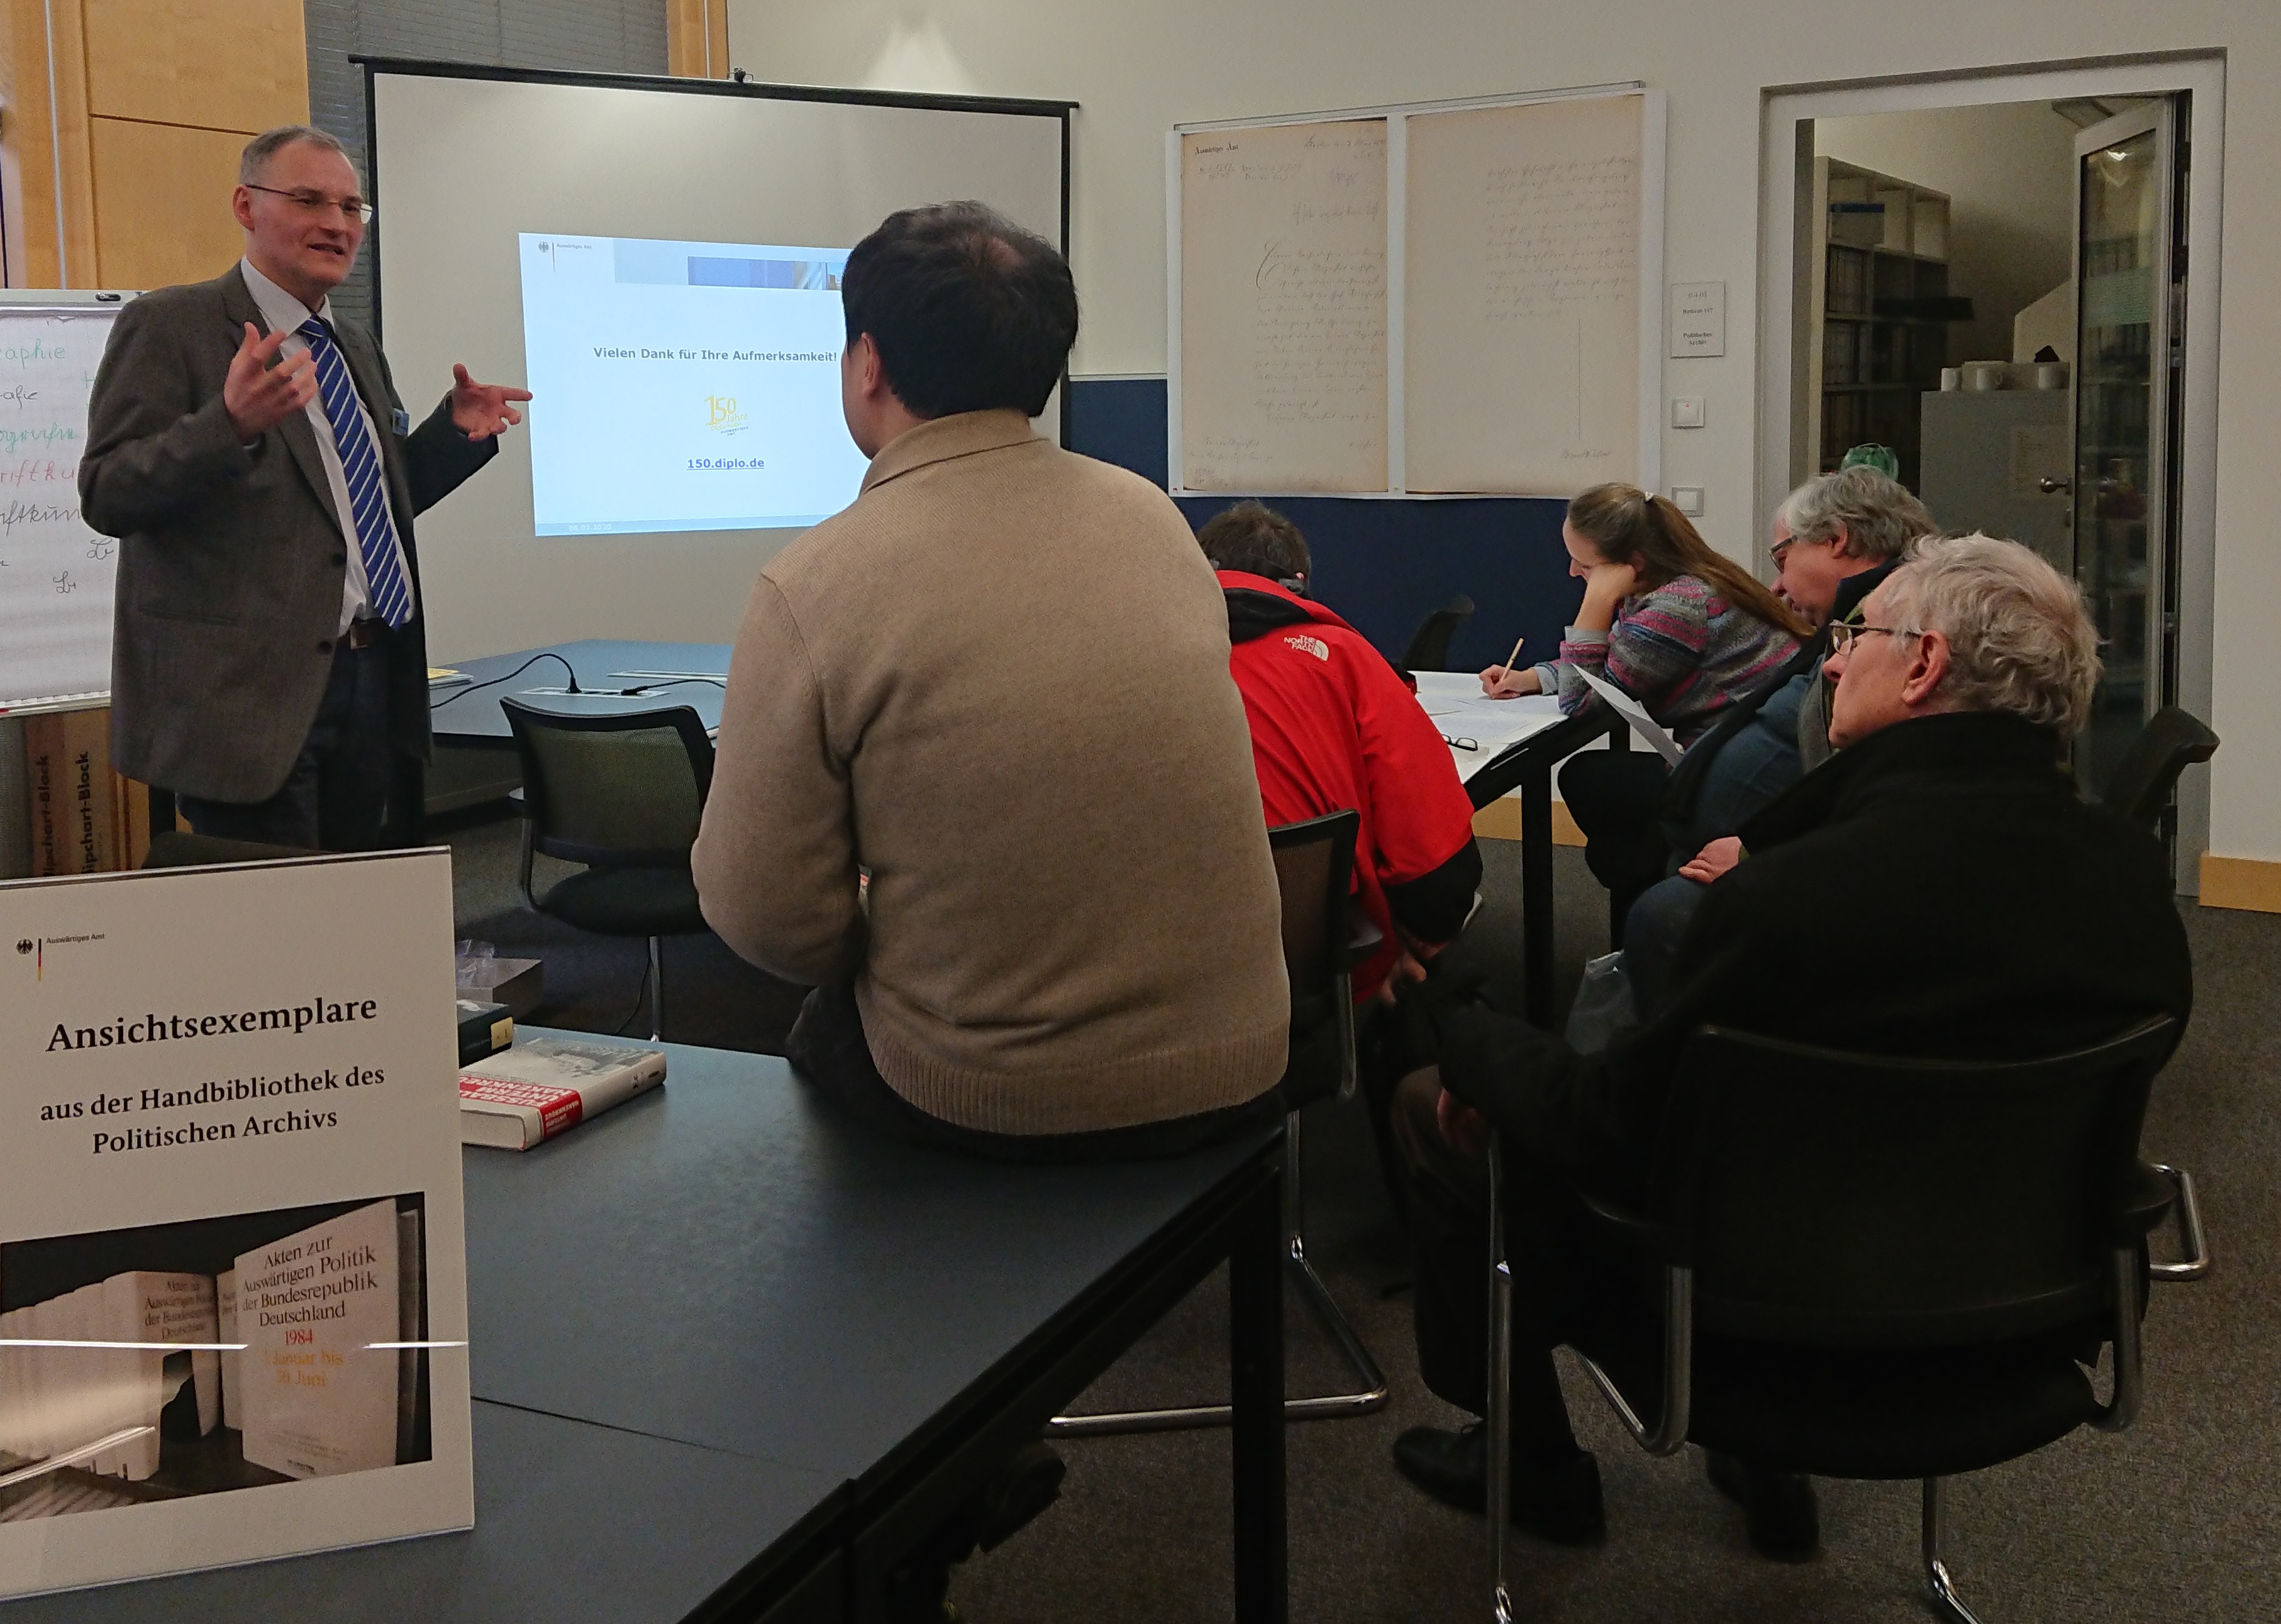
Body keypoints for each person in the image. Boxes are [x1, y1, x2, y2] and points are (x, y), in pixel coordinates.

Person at [1382, 535, 2192, 1559]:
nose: (1837, 659)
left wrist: (1469, 1030)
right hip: (2012, 1327)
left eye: (1857, 636)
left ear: (1925, 664)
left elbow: (1604, 1128)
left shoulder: (1787, 902)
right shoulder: (2132, 886)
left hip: (1744, 1336)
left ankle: (1532, 1459)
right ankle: (1764, 1473)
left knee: (1431, 1099)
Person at [691, 202, 1290, 1160]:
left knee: (820, 1030)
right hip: (1240, 1065)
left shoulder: (814, 583)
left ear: (869, 363)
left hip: (996, 1101)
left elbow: (761, 916)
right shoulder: (1152, 519)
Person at [80, 125, 531, 851]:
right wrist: (227, 426)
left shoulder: (352, 345)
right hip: (247, 703)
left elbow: (358, 514)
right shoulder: (171, 326)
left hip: (370, 679)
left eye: (353, 208)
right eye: (310, 200)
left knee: (352, 924)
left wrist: (453, 436)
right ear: (246, 206)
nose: (336, 224)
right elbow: (107, 493)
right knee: (270, 940)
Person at [1623, 467, 1936, 1010]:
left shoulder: (1891, 630)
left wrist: (1762, 854)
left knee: (1662, 915)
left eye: (1782, 558)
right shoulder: (1856, 620)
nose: (1775, 585)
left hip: (1797, 863)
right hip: (1766, 840)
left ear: (1836, 539)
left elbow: (1882, 792)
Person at [1479, 485, 1807, 936]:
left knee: (1593, 789)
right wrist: (1529, 678)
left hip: (1740, 778)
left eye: (1587, 565)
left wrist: (1594, 604)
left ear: (1629, 563)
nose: (1574, 572)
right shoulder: (1679, 585)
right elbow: (1612, 659)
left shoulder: (1673, 609)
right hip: (1744, 757)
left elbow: (1582, 701)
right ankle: (1644, 882)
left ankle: (1649, 896)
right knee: (1608, 810)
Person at [1199, 500, 1482, 1010]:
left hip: (1163, 948)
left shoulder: (1140, 658)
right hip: (1312, 945)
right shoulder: (1342, 656)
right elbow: (1430, 851)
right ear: (1299, 581)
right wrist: (1418, 933)